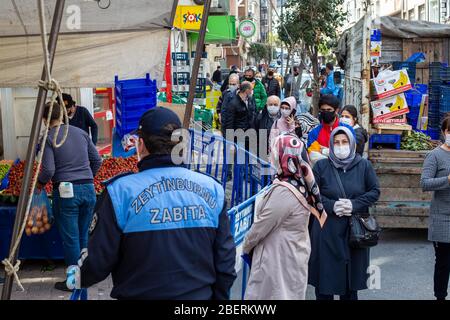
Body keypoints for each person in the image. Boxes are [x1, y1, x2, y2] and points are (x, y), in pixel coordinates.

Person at [77, 107, 236, 299]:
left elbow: (97, 263)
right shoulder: (212, 189)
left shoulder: (120, 192)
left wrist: (77, 277)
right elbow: (225, 263)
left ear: (141, 145)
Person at [243, 133, 327, 300]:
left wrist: (246, 246)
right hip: (289, 253)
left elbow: (262, 225)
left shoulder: (285, 190)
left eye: (274, 152)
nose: (271, 156)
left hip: (278, 260)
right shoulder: (297, 181)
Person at [309, 126, 380, 300]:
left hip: (354, 233)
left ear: (352, 143)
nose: (341, 146)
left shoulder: (363, 165)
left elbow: (374, 191)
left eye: (345, 142)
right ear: (331, 145)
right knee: (324, 285)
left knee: (350, 287)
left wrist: (354, 204)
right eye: (337, 142)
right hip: (326, 232)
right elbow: (312, 195)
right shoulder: (321, 166)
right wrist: (332, 205)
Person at [37, 102, 102, 292]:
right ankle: (85, 276)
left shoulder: (49, 137)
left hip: (66, 193)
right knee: (84, 235)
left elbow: (48, 169)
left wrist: (41, 183)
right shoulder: (80, 133)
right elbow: (97, 160)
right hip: (88, 189)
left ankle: (74, 282)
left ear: (45, 119)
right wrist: (88, 177)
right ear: (64, 115)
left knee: (71, 238)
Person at [420, 116, 450, 301]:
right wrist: (447, 180)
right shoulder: (435, 155)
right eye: (449, 131)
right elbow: (425, 183)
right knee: (444, 264)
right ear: (444, 132)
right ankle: (440, 296)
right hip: (443, 218)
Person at [307, 95, 355, 165]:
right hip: (323, 173)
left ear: (336, 110)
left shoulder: (348, 130)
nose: (326, 112)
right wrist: (337, 155)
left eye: (329, 110)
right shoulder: (313, 133)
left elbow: (350, 153)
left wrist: (323, 151)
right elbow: (313, 157)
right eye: (323, 110)